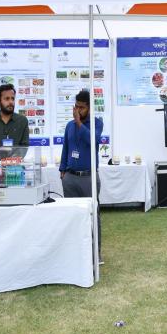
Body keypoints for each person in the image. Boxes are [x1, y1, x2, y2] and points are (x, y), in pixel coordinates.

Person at [60, 90, 104, 261]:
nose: (78, 110)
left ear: (90, 107)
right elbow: (66, 148)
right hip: (70, 177)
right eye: (76, 106)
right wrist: (63, 170)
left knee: (93, 216)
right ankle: (75, 253)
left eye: (82, 107)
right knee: (72, 216)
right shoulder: (69, 126)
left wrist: (79, 123)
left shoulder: (97, 124)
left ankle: (95, 254)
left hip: (89, 178)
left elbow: (93, 141)